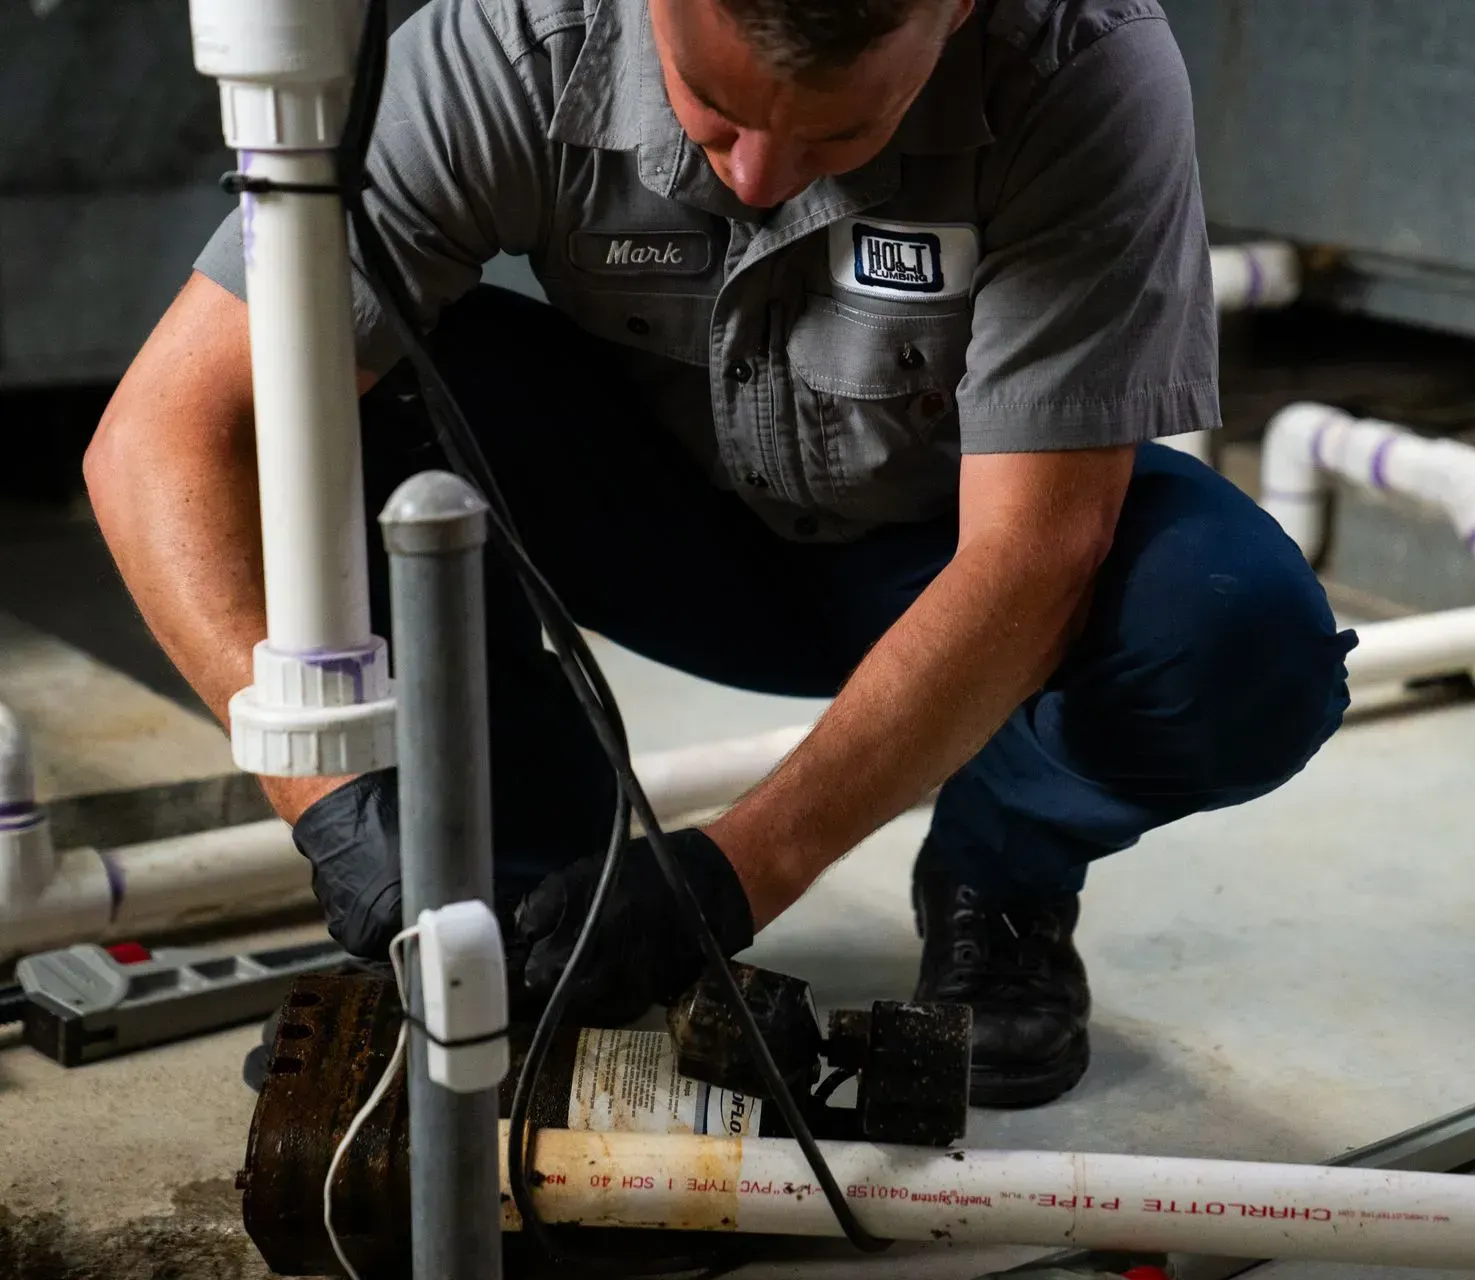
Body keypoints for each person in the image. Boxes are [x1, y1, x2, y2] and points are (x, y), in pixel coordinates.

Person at [85, 0, 1354, 1108]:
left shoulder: (1082, 69)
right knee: (337, 403)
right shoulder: (511, 44)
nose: (758, 177)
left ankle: (1000, 879)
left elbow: (1031, 557)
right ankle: (502, 900)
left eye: (840, 138)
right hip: (656, 521)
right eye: (711, 113)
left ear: (956, 10)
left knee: (1238, 633)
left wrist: (735, 874)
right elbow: (159, 438)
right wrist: (332, 804)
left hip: (952, 555)